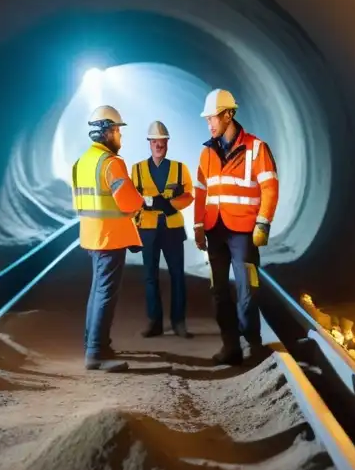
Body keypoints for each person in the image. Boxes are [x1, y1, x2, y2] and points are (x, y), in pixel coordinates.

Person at [193, 89, 279, 365]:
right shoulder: (206, 152)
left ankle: (252, 342)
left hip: (244, 232)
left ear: (229, 114)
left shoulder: (256, 148)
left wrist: (263, 223)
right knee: (219, 291)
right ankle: (231, 346)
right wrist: (197, 226)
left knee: (247, 290)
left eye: (213, 118)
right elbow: (200, 191)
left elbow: (270, 188)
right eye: (207, 120)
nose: (210, 124)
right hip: (215, 231)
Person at [71, 105, 144, 372]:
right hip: (110, 236)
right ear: (108, 132)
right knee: (105, 293)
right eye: (118, 131)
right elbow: (127, 201)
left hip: (91, 234)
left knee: (96, 290)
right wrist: (141, 200)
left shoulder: (82, 162)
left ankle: (94, 344)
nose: (120, 137)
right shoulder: (111, 163)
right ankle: (96, 354)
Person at [131, 121, 194, 338]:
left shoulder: (179, 168)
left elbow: (189, 195)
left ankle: (179, 322)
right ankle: (154, 323)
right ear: (149, 143)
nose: (159, 145)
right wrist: (131, 231)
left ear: (168, 143)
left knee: (177, 275)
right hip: (147, 229)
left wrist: (168, 205)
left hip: (172, 229)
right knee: (150, 276)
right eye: (155, 141)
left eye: (163, 141)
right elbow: (131, 200)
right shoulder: (137, 170)